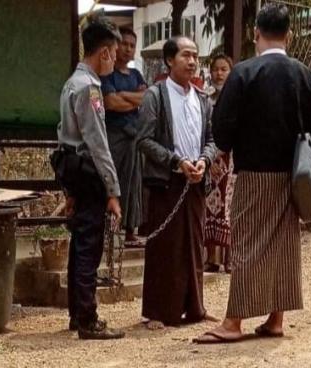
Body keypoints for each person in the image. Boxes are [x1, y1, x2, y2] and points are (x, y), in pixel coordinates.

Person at [195, 4, 311, 343]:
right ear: (289, 36)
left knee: (248, 243)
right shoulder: (306, 74)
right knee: (283, 243)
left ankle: (234, 321)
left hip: (255, 170)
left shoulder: (244, 72)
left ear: (255, 34)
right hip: (293, 171)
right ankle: (275, 318)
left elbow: (222, 129)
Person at [138, 36, 218, 329]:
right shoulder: (155, 96)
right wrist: (175, 161)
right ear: (170, 60)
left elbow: (212, 139)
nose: (193, 61)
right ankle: (159, 311)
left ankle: (195, 308)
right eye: (186, 55)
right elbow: (143, 140)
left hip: (195, 183)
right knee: (165, 247)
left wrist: (203, 161)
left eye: (195, 56)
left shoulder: (202, 99)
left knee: (195, 245)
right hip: (166, 183)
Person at [54, 17, 125, 340]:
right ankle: (87, 318)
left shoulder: (72, 82)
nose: (116, 59)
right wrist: (112, 189)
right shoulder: (90, 88)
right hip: (88, 171)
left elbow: (62, 135)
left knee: (79, 245)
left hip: (72, 167)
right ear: (105, 53)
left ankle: (76, 312)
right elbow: (97, 143)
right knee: (88, 247)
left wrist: (68, 188)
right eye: (114, 52)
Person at [100, 27, 147, 246]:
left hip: (133, 137)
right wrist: (132, 99)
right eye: (125, 44)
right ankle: (106, 230)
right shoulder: (107, 75)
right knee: (111, 181)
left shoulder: (136, 74)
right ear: (116, 46)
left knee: (133, 183)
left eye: (132, 46)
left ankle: (130, 230)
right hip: (114, 136)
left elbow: (146, 100)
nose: (128, 49)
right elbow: (110, 103)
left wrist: (124, 96)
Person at [203, 54, 234, 273]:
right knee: (211, 208)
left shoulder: (237, 98)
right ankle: (212, 258)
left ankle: (230, 258)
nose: (219, 73)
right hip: (211, 158)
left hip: (231, 159)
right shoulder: (204, 98)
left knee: (229, 208)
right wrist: (210, 157)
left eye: (224, 69)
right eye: (216, 69)